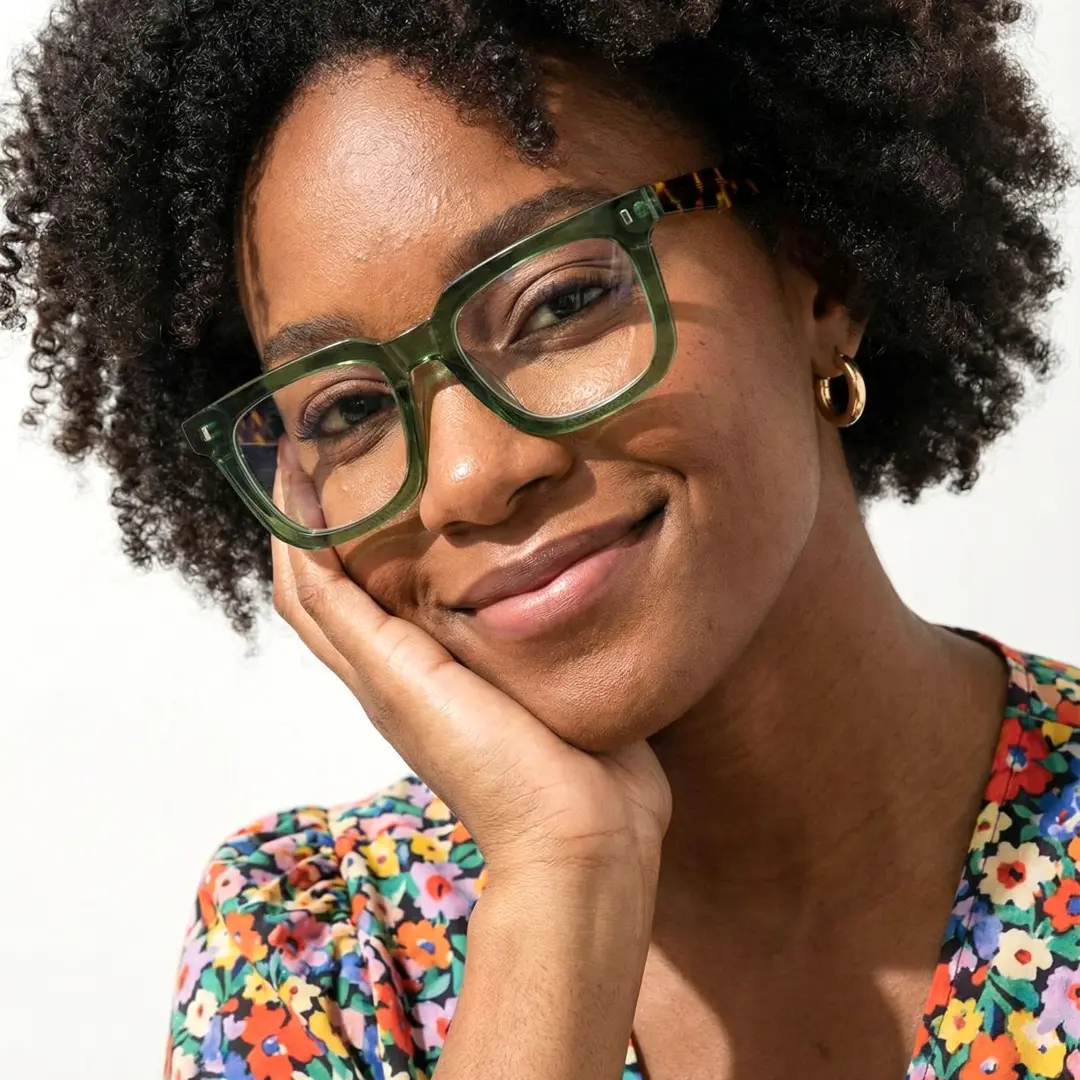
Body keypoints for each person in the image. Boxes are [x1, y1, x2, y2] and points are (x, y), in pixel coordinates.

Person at [2, 0, 1077, 1076]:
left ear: (820, 272)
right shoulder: (313, 949)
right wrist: (562, 878)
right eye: (346, 410)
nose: (468, 476)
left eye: (559, 301)